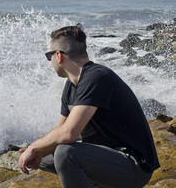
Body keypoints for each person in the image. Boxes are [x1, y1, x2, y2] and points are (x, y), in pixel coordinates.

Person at [18, 25, 160, 188]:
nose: (49, 61)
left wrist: (35, 146)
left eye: (48, 56)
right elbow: (60, 132)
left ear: (58, 56)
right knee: (40, 157)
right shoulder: (71, 85)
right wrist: (36, 151)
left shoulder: (97, 77)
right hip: (108, 158)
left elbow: (68, 134)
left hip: (134, 166)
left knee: (65, 153)